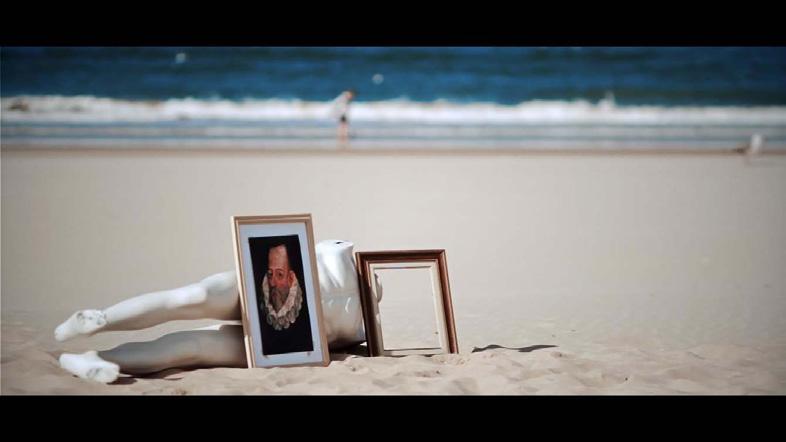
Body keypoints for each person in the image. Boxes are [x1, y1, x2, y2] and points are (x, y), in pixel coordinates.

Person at [55, 240, 371, 384]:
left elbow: (330, 346)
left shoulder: (363, 327)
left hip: (284, 337)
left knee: (192, 347)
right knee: (193, 297)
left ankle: (96, 359)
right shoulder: (342, 251)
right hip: (261, 285)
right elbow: (291, 241)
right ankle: (99, 319)